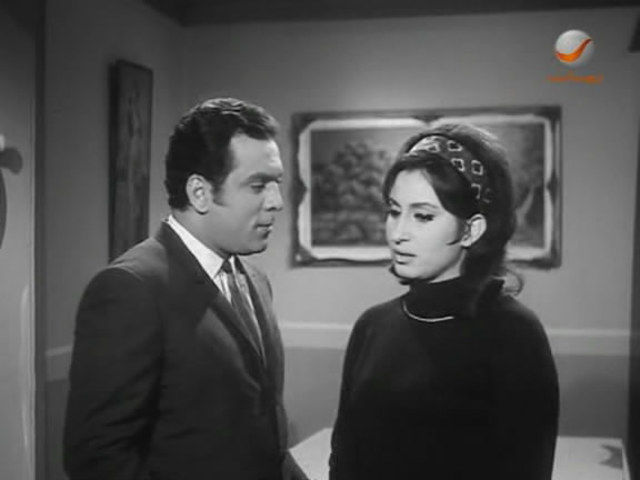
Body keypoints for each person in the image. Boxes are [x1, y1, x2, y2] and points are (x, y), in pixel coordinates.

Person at [64, 98, 306, 480]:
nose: (277, 202)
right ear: (199, 193)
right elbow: (99, 459)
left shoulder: (254, 281)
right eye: (258, 185)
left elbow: (264, 436)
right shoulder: (131, 289)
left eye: (277, 183)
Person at [329, 123, 559, 480]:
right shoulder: (372, 326)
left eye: (423, 216)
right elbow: (345, 460)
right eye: (394, 211)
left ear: (471, 229)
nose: (398, 233)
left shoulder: (515, 334)